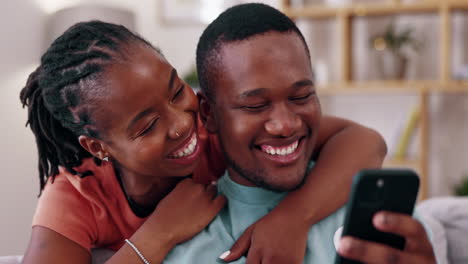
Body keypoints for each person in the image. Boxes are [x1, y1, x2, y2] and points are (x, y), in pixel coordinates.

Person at [19, 20, 386, 264]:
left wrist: (293, 217)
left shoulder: (213, 136)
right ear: (98, 147)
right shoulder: (74, 195)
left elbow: (365, 141)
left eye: (177, 91)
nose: (182, 124)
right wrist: (158, 234)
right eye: (147, 126)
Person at [162, 3, 437, 264]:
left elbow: (370, 140)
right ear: (208, 114)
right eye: (255, 105)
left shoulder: (379, 220)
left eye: (302, 96)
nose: (286, 125)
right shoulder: (182, 241)